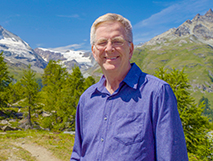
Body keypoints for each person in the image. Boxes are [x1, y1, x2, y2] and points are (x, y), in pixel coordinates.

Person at [70, 13, 188, 161]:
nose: (109, 48)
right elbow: (78, 155)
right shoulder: (87, 99)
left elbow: (172, 157)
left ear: (130, 49)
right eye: (102, 42)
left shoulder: (157, 93)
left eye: (117, 41)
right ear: (94, 51)